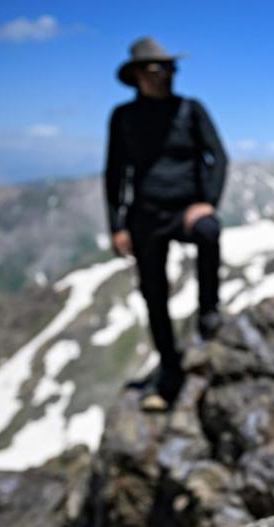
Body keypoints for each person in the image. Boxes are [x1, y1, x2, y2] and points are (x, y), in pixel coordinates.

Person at [104, 36, 228, 412]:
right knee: (153, 294)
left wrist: (206, 203)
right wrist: (117, 225)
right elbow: (114, 172)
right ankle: (169, 373)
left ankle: (209, 311)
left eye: (172, 68)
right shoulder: (123, 117)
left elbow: (218, 157)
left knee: (209, 233)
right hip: (144, 215)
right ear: (140, 75)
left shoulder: (191, 110)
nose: (169, 75)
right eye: (160, 69)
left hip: (186, 208)